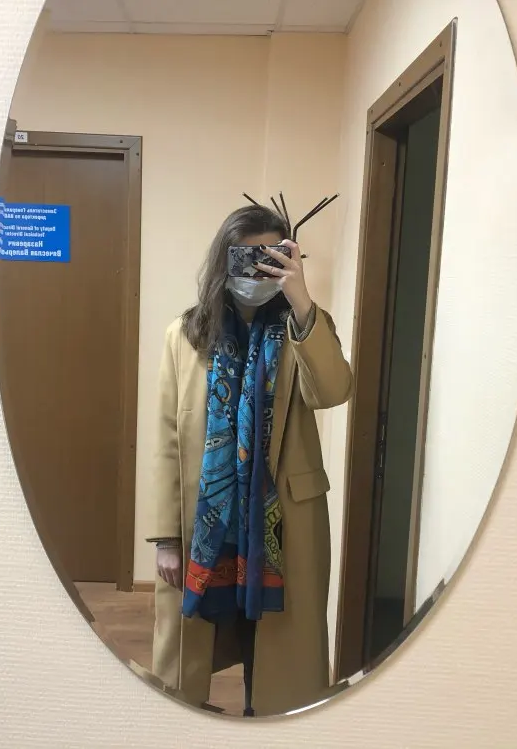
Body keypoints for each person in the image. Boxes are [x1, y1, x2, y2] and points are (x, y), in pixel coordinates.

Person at [147, 203, 353, 716]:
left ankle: (273, 723)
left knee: (280, 655)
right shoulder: (184, 334)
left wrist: (301, 300)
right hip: (207, 522)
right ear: (224, 260)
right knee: (188, 660)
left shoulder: (305, 326)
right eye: (247, 256)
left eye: (271, 256)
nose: (258, 268)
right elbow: (167, 438)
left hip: (283, 523)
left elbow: (332, 391)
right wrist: (167, 539)